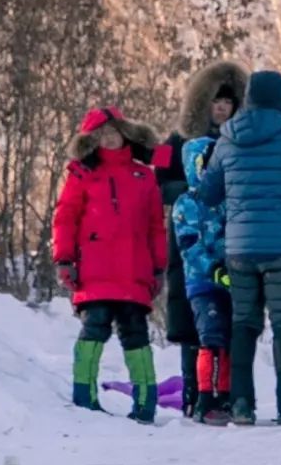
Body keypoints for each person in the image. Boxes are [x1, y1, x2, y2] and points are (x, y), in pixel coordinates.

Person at [197, 70, 281, 425]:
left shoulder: (227, 140)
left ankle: (242, 404)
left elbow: (209, 194)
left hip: (240, 249)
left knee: (244, 323)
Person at [52, 106, 166, 423]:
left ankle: (145, 404)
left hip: (134, 269)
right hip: (94, 270)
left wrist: (159, 267)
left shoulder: (144, 176)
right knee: (94, 329)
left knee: (135, 333)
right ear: (92, 140)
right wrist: (64, 260)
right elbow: (65, 219)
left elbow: (156, 226)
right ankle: (84, 399)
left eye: (114, 132)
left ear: (126, 133)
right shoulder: (81, 174)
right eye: (102, 135)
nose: (110, 139)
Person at [152, 61, 247, 415]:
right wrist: (191, 191)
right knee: (191, 315)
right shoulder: (176, 141)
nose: (221, 108)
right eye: (215, 101)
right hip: (189, 237)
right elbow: (156, 180)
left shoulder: (241, 141)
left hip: (235, 237)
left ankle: (230, 392)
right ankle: (194, 389)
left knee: (231, 320)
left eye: (228, 102)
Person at [172, 137, 231, 424]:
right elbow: (189, 245)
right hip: (203, 282)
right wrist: (214, 268)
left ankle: (226, 393)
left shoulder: (225, 200)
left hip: (229, 279)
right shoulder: (187, 203)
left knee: (229, 337)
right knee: (211, 336)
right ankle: (206, 397)